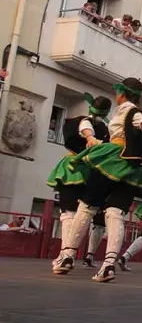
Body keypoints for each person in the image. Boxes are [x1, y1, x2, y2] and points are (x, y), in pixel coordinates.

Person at [52, 78, 142, 282]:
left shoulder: (129, 111)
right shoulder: (121, 115)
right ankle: (108, 265)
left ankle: (67, 255)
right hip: (132, 168)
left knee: (87, 206)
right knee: (115, 213)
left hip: (113, 161)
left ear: (121, 94)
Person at [46, 93, 111, 271]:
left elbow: (84, 128)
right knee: (84, 213)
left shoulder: (78, 122)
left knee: (68, 212)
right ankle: (70, 255)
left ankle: (66, 255)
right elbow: (88, 129)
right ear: (106, 112)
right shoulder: (106, 129)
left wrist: (90, 138)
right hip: (93, 171)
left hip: (73, 168)